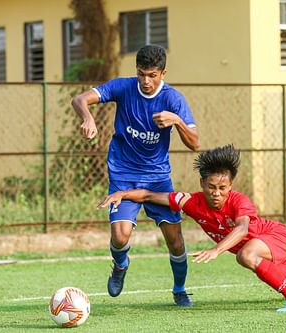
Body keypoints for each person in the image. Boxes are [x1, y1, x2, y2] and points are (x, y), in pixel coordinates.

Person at [97, 144, 286, 313]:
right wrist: (122, 194)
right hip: (263, 252)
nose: (216, 192)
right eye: (211, 186)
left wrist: (217, 249)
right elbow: (150, 196)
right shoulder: (191, 201)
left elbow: (242, 228)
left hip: (272, 237)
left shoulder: (239, 201)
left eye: (222, 187)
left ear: (230, 187)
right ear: (202, 185)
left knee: (246, 255)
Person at [72, 45, 200, 307]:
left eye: (152, 75)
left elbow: (196, 144)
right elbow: (80, 99)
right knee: (120, 236)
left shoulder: (174, 100)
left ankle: (179, 289)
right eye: (142, 74)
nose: (146, 80)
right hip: (123, 174)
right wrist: (88, 118)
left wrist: (176, 121)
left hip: (157, 178)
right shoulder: (123, 87)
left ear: (163, 73)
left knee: (175, 241)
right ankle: (121, 265)